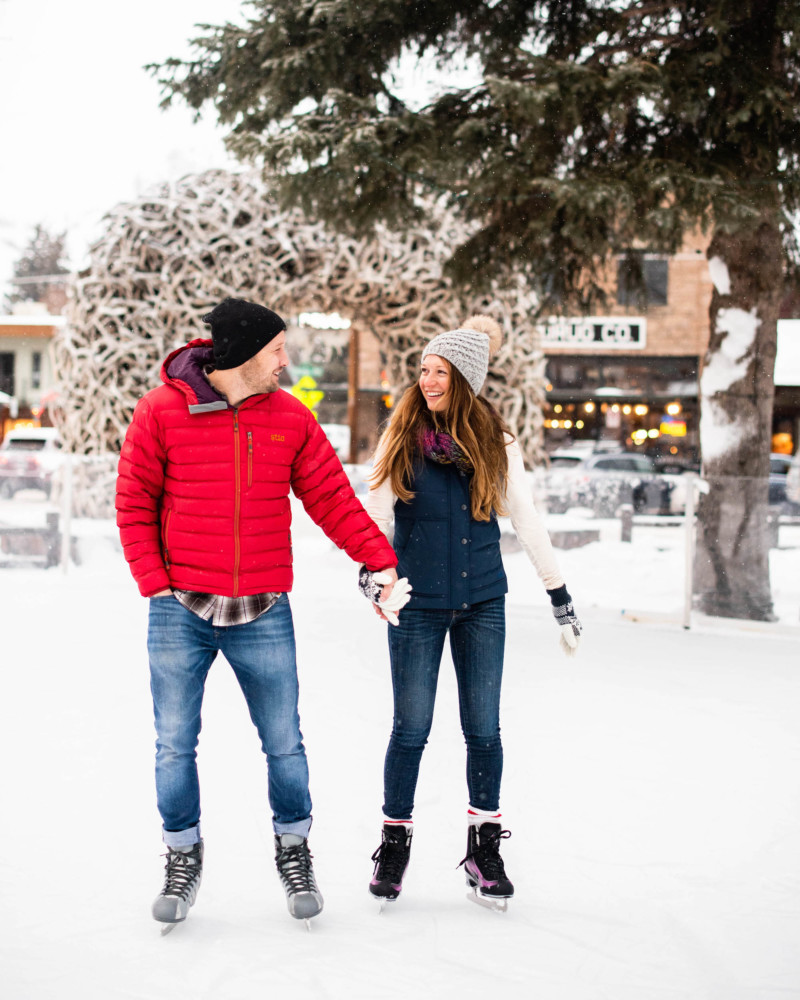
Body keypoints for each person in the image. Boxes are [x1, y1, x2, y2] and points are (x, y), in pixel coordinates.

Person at [116, 297, 409, 926]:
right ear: (245, 353)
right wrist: (155, 584)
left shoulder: (291, 420)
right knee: (173, 744)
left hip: (262, 607)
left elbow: (333, 499)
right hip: (180, 609)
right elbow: (134, 500)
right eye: (277, 350)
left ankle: (293, 848)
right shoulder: (162, 410)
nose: (285, 361)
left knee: (284, 743)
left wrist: (380, 560)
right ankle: (181, 854)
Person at [363, 314, 583, 906]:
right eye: (424, 369)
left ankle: (483, 847)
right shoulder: (400, 435)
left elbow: (527, 518)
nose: (427, 380)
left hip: (484, 600)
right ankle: (395, 843)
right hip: (418, 605)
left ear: (463, 378)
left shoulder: (494, 440)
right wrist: (373, 577)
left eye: (439, 371)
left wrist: (557, 592)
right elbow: (376, 518)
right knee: (411, 730)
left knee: (484, 730)